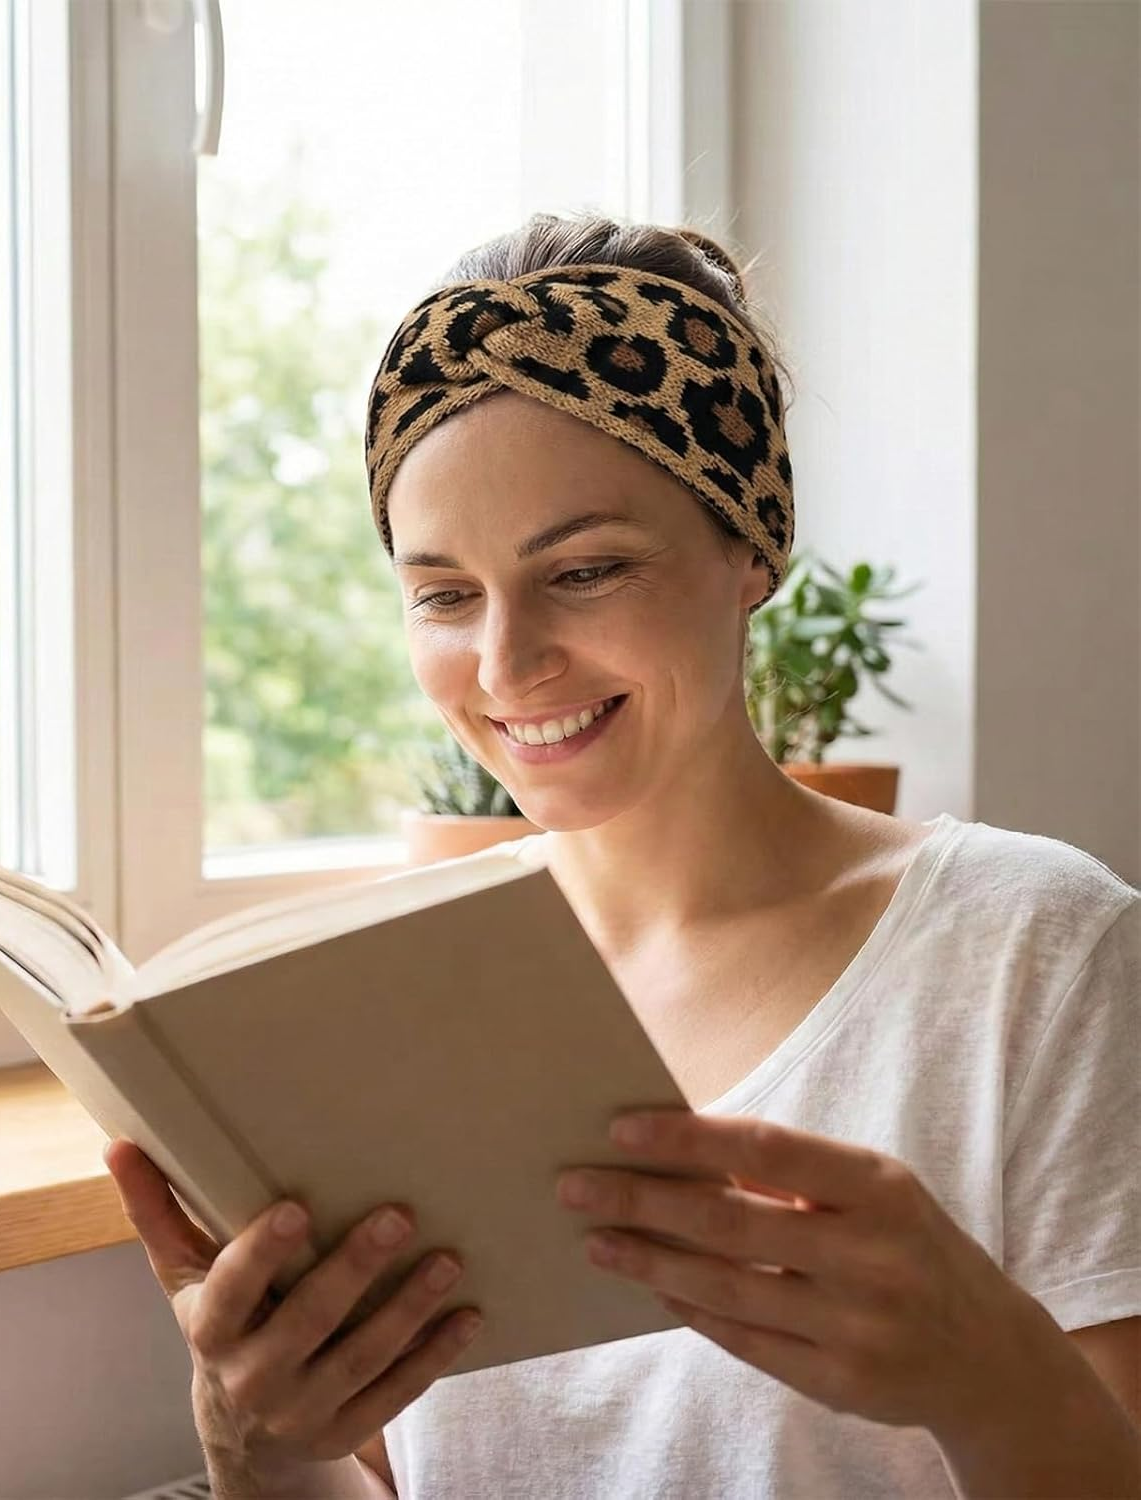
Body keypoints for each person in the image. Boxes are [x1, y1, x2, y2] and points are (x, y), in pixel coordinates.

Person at [105, 214, 1140, 1498]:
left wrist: (984, 1369)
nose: (504, 665)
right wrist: (261, 1444)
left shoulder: (1032, 951)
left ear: (751, 545)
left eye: (586, 569)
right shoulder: (389, 1002)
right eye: (442, 594)